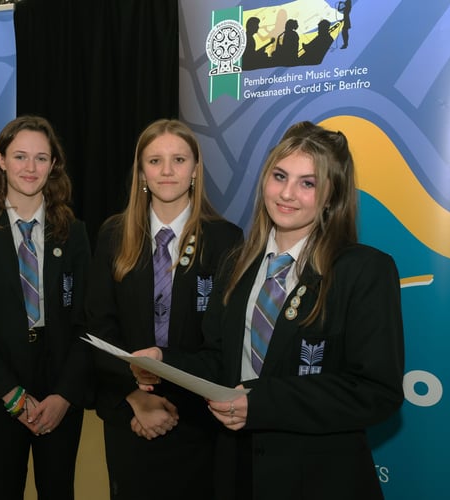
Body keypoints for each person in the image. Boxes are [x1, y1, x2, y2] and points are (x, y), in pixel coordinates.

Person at [133, 121, 405, 500]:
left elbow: (376, 392)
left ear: (331, 196)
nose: (287, 194)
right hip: (237, 467)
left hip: (318, 475)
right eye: (279, 176)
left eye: (307, 183)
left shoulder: (364, 271)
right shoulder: (237, 263)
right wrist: (164, 361)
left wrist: (261, 403)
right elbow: (219, 361)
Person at [86, 119, 243, 500]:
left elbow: (224, 342)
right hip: (131, 414)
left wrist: (173, 404)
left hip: (198, 420)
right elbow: (97, 327)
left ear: (195, 170)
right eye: (155, 161)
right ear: (142, 172)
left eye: (179, 159)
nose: (167, 171)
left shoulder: (226, 239)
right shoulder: (113, 233)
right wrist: (136, 397)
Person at [0, 115, 91, 500]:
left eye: (41, 158)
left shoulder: (73, 232)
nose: (30, 168)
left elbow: (86, 323)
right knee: (2, 490)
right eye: (20, 157)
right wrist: (10, 394)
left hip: (58, 384)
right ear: (0, 161)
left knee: (58, 489)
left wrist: (64, 395)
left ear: (53, 165)